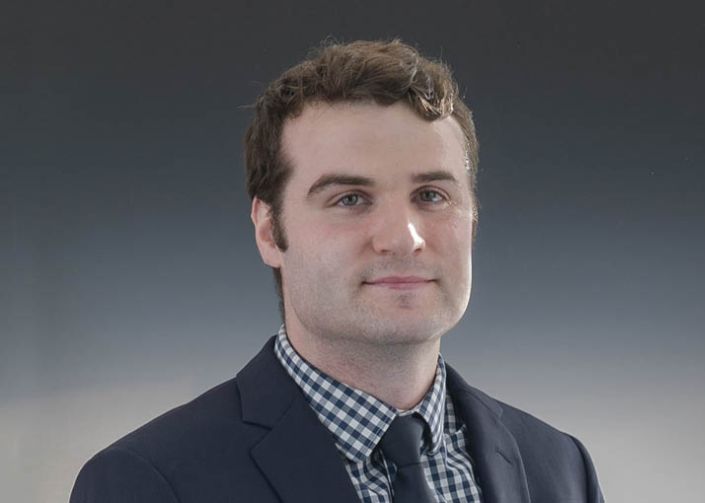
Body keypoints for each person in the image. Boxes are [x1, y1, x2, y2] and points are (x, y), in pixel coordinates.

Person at [70, 39, 604, 503]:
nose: (404, 238)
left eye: (431, 195)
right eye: (350, 198)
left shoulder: (560, 467)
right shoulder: (149, 483)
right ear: (269, 231)